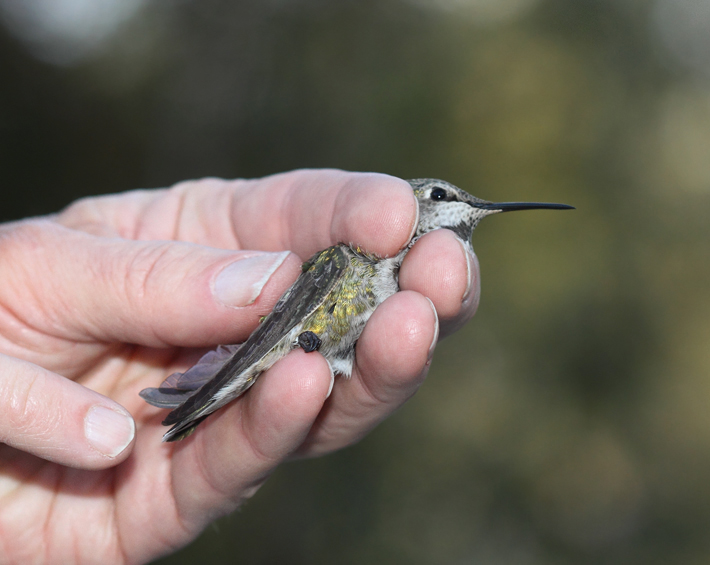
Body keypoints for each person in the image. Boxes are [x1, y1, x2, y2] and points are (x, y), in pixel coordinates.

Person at [0, 169, 480, 563]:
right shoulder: (349, 256)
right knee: (272, 365)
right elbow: (291, 315)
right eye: (444, 197)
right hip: (303, 330)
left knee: (343, 363)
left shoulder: (409, 275)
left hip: (326, 354)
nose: (461, 208)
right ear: (420, 204)